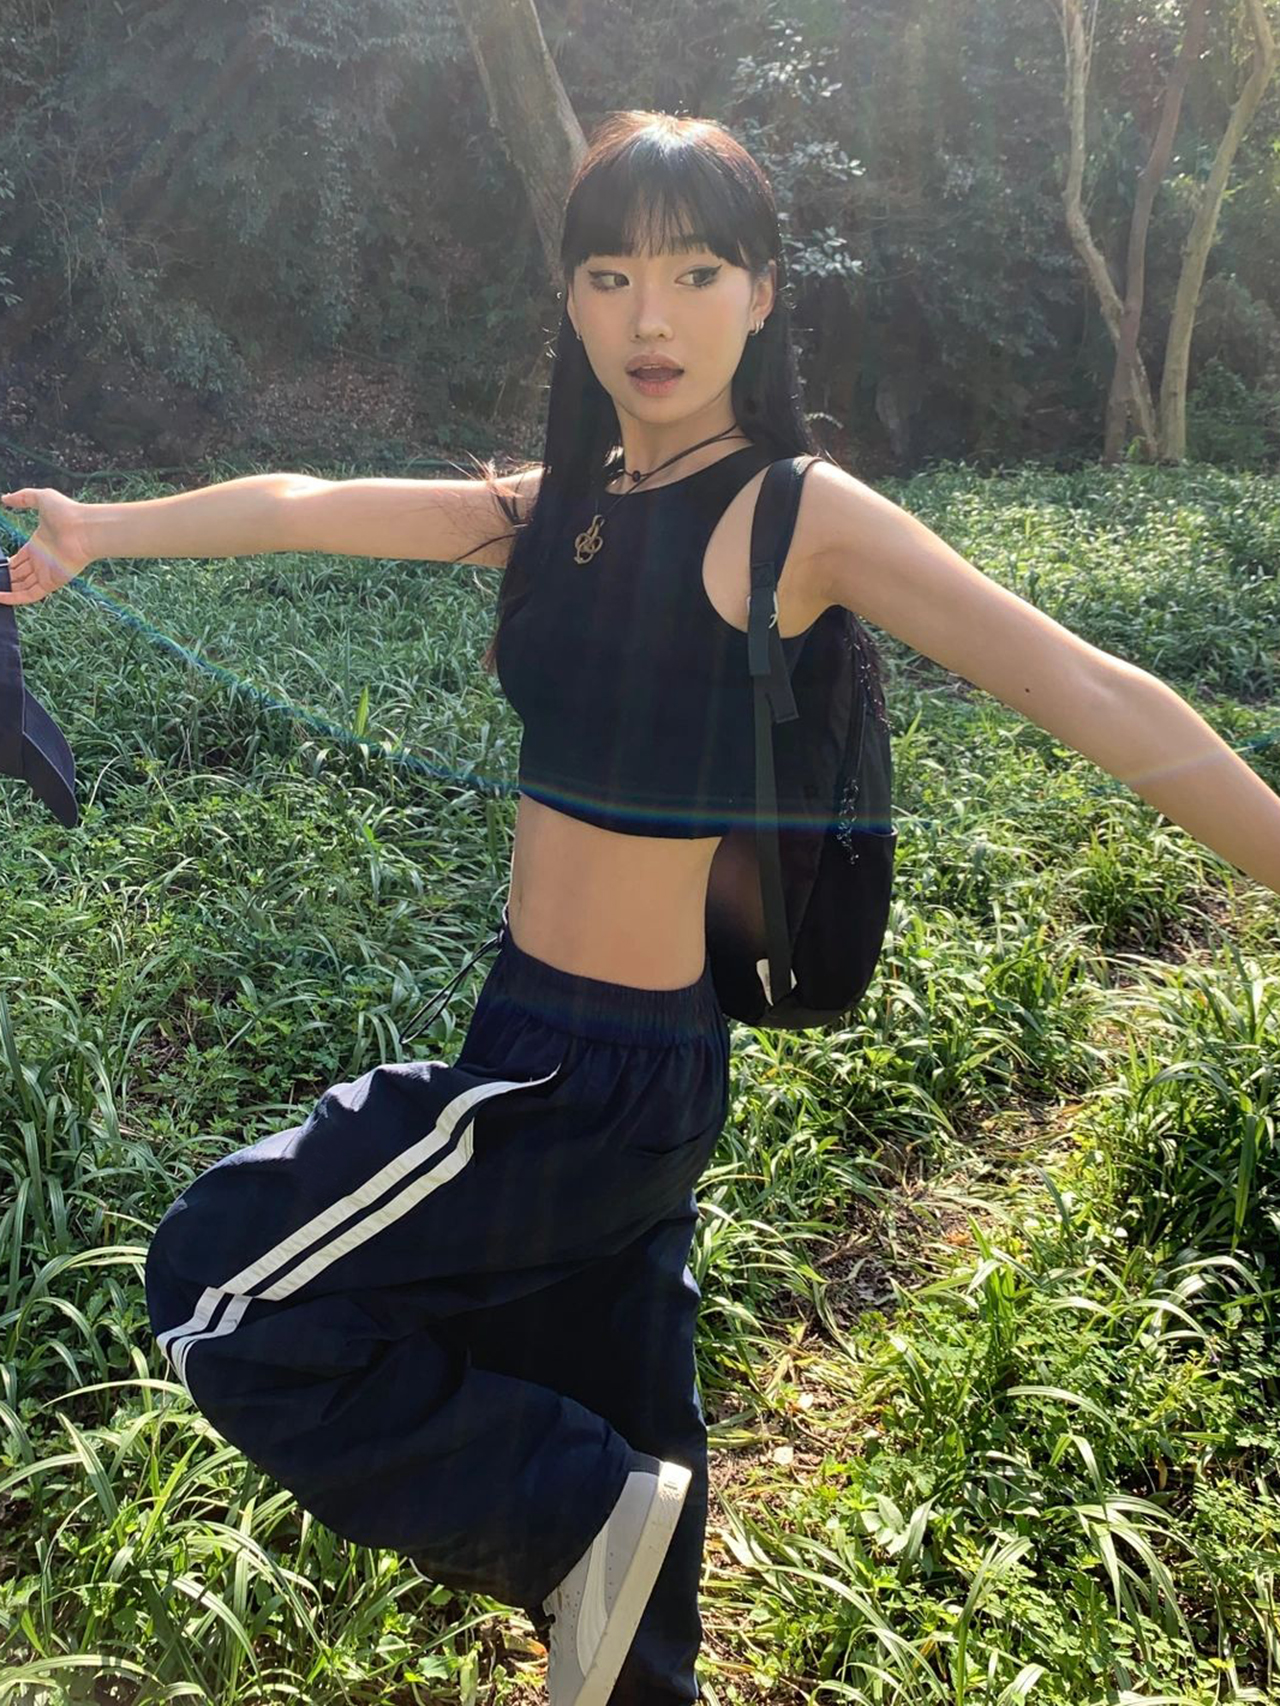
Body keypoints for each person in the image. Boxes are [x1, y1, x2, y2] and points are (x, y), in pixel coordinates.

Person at [5, 108, 1280, 1706]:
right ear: (570, 296)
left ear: (763, 292)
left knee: (219, 1281)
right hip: (577, 1044)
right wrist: (100, 530)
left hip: (585, 1072)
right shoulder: (564, 503)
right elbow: (304, 498)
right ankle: (616, 1578)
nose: (649, 317)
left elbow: (1090, 687)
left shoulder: (793, 514)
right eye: (609, 275)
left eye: (694, 272)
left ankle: (572, 1513)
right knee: (637, 1475)